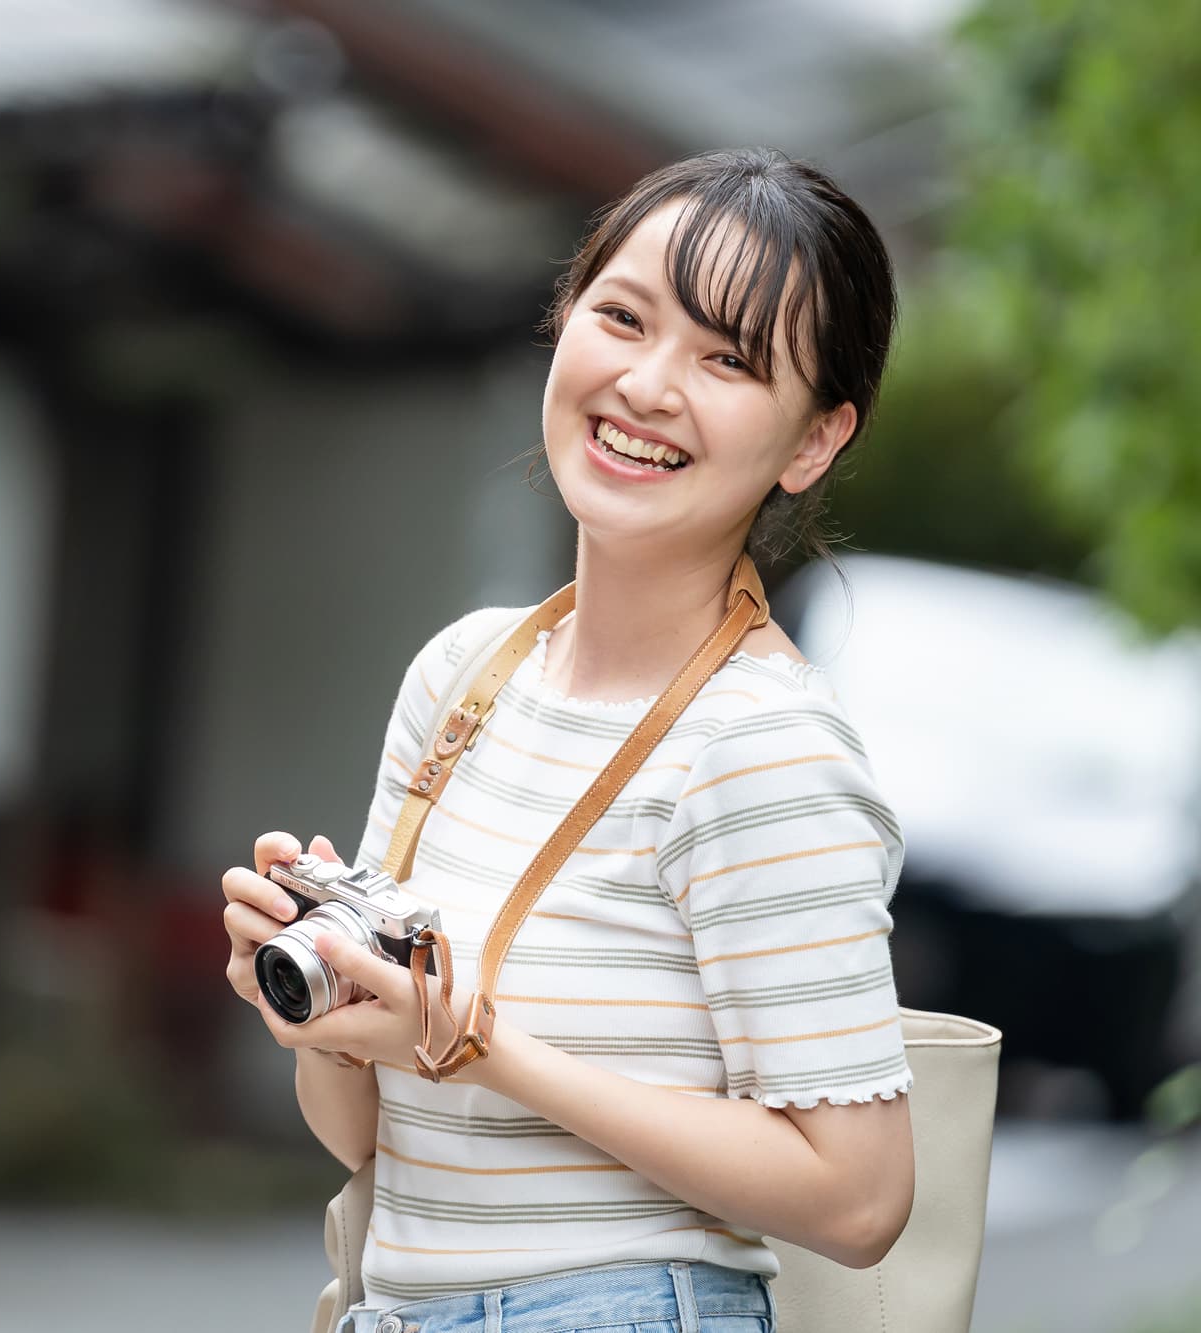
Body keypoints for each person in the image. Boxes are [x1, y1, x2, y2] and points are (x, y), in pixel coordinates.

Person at [221, 146, 914, 1333]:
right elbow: (367, 1132)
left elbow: (857, 1197)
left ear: (811, 441)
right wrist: (319, 1013)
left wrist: (480, 1044)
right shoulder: (463, 677)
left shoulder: (762, 746)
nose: (647, 385)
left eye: (726, 359)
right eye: (622, 317)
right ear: (562, 323)